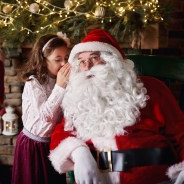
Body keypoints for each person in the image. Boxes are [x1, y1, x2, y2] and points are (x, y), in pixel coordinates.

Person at [49, 29, 184, 184]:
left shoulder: (152, 88)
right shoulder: (80, 95)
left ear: (112, 61)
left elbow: (180, 132)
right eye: (81, 61)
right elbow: (61, 133)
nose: (87, 67)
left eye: (94, 58)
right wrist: (79, 153)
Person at [12, 32, 71, 184]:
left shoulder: (62, 79)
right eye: (58, 60)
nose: (64, 64)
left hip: (52, 144)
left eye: (66, 58)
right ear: (44, 61)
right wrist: (59, 87)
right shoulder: (34, 83)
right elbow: (46, 116)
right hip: (33, 146)